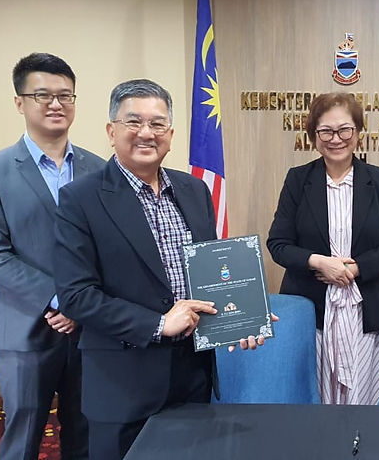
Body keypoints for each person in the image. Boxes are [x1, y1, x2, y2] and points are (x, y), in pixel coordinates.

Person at [53, 79, 269, 460]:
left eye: (157, 124)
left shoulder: (193, 190)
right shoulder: (80, 199)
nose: (146, 134)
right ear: (111, 131)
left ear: (170, 133)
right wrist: (157, 324)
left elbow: (212, 273)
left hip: (192, 374)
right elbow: (76, 296)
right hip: (123, 382)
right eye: (133, 122)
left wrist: (242, 315)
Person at [0, 52, 102, 459]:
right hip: (24, 332)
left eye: (65, 95)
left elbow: (109, 249)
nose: (56, 104)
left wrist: (84, 306)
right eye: (42, 94)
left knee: (87, 433)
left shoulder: (99, 169)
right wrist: (62, 298)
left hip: (88, 331)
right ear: (19, 102)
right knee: (22, 439)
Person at [267, 92, 379, 405]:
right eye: (326, 131)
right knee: (316, 398)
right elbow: (278, 244)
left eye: (345, 130)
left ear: (358, 132)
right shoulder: (298, 180)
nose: (336, 139)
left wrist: (356, 268)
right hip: (313, 312)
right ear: (314, 136)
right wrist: (320, 262)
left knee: (365, 398)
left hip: (367, 310)